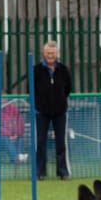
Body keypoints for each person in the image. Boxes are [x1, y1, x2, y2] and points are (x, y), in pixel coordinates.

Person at [32, 41, 72, 180]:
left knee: (60, 143)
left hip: (60, 112)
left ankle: (63, 172)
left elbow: (68, 89)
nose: (50, 56)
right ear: (44, 54)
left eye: (53, 53)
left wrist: (60, 100)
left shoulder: (63, 69)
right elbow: (30, 90)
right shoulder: (36, 70)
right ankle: (40, 172)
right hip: (41, 112)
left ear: (57, 54)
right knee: (41, 142)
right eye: (48, 53)